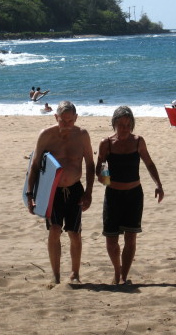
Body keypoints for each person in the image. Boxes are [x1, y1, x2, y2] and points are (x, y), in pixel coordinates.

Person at [26, 101, 95, 285]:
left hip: (74, 190)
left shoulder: (82, 135)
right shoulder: (46, 136)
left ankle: (75, 273)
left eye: (70, 121)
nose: (66, 125)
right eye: (62, 121)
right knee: (54, 230)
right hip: (52, 191)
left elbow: (89, 164)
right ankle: (56, 275)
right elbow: (34, 166)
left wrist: (88, 192)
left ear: (76, 118)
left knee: (74, 233)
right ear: (56, 118)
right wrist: (29, 194)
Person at [96, 106, 164, 285]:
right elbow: (99, 167)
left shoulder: (138, 141)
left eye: (128, 124)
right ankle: (117, 272)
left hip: (134, 195)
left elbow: (149, 163)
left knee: (130, 237)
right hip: (113, 195)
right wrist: (103, 175)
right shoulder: (106, 143)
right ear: (114, 124)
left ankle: (124, 276)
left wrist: (158, 184)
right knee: (111, 238)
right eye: (120, 125)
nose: (124, 128)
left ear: (132, 124)